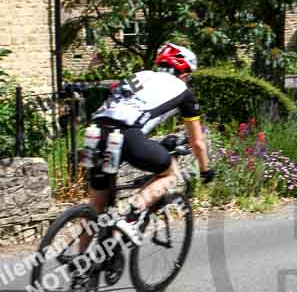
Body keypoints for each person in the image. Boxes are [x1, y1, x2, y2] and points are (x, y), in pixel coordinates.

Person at [85, 43, 213, 247]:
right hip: (127, 135)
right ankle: (132, 217)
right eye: (189, 75)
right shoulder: (184, 91)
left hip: (95, 131)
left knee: (96, 207)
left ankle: (80, 259)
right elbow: (197, 142)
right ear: (184, 72)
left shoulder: (141, 75)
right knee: (171, 173)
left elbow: (122, 104)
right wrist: (206, 170)